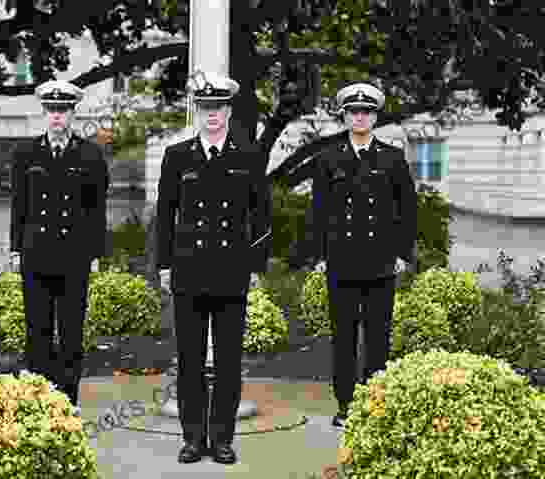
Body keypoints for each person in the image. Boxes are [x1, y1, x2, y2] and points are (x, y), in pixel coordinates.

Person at [156, 71, 272, 464]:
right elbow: (164, 215)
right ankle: (192, 438)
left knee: (227, 361)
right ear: (197, 110)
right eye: (205, 107)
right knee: (189, 360)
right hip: (188, 270)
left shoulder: (247, 156)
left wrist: (256, 264)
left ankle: (222, 438)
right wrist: (163, 265)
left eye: (218, 107)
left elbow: (262, 215)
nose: (211, 115)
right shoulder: (177, 157)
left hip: (231, 271)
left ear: (227, 110)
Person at [289, 82, 417, 429]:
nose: (359, 117)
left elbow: (407, 210)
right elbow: (318, 211)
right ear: (344, 117)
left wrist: (404, 254)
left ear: (374, 117)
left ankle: (374, 403)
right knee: (343, 337)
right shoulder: (328, 159)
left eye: (366, 112)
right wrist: (319, 254)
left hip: (380, 261)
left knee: (378, 338)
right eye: (353, 112)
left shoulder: (392, 158)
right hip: (341, 261)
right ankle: (346, 405)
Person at [9, 80, 110, 416]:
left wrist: (96, 254)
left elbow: (97, 209)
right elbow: (19, 205)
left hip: (74, 256)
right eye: (51, 111)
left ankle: (67, 402)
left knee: (70, 333)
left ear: (72, 114)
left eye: (63, 111)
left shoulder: (90, 154)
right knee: (37, 331)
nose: (57, 117)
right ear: (45, 113)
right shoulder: (26, 153)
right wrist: (15, 249)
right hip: (36, 255)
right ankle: (40, 400)